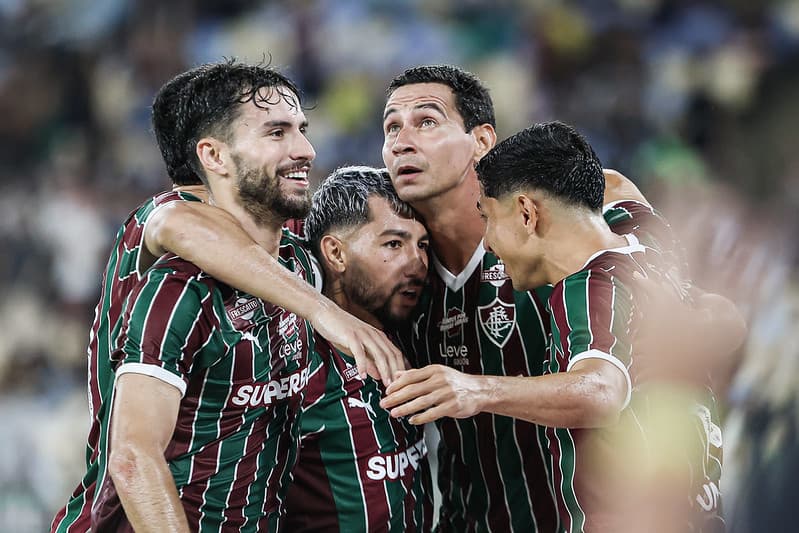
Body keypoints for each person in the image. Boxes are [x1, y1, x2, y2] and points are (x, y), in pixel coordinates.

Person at [50, 63, 403, 532]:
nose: (306, 150)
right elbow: (134, 458)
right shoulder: (173, 266)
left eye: (301, 130)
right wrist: (324, 312)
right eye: (276, 132)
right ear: (211, 157)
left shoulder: (295, 256)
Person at [387, 121, 731, 532]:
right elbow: (615, 181)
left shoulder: (588, 288)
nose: (490, 245)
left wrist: (475, 388)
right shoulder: (642, 232)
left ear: (528, 214)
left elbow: (601, 392)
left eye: (489, 219)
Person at [380, 64, 559, 531]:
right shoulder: (393, 273)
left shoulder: (549, 228)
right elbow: (175, 222)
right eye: (391, 127)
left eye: (427, 121)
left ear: (481, 141)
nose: (402, 141)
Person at [283, 165, 434, 532]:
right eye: (394, 244)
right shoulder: (292, 355)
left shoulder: (413, 328)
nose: (417, 264)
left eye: (423, 245)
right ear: (335, 254)